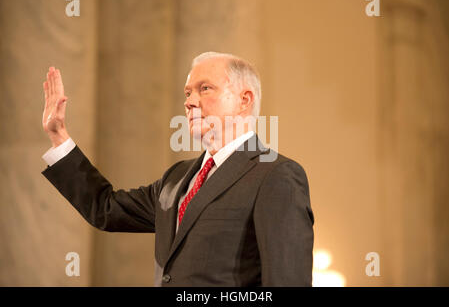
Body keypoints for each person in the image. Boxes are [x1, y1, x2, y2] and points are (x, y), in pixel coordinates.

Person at [41, 52, 314, 286]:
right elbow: (106, 208)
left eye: (205, 88)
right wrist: (59, 136)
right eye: (187, 92)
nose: (189, 101)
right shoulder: (177, 178)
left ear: (244, 100)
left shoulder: (275, 175)